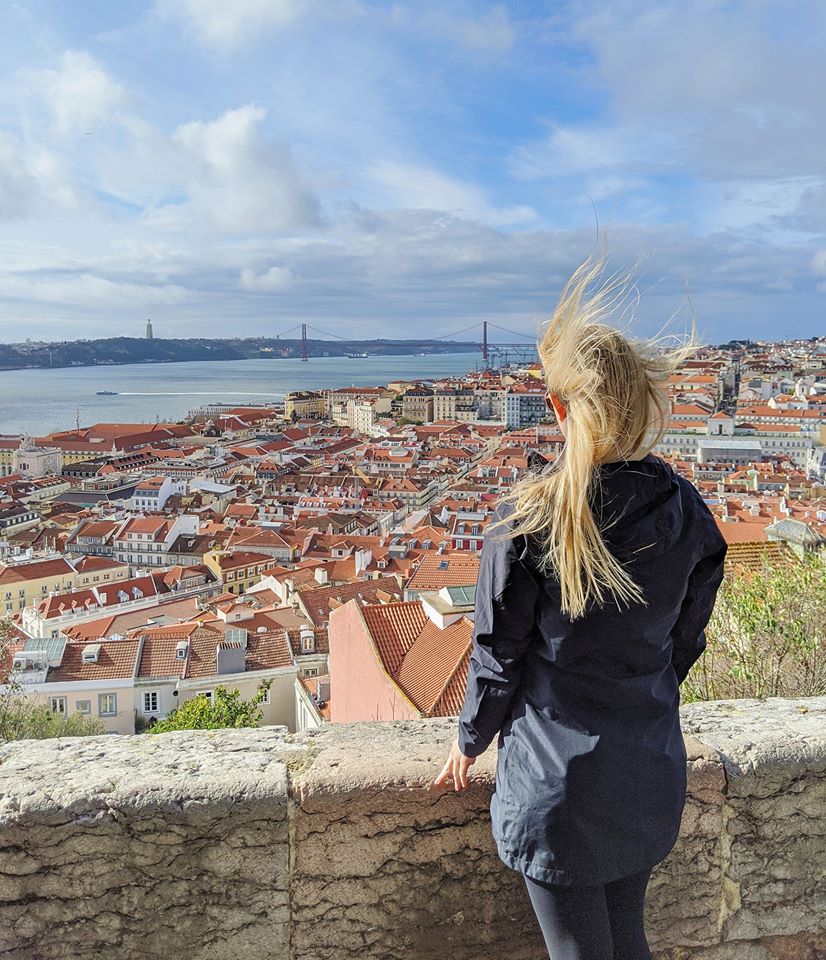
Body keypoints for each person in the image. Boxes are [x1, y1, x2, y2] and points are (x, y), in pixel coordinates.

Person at [433, 256, 728, 960]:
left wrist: (469, 739)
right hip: (646, 765)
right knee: (628, 941)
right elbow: (685, 640)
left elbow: (497, 655)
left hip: (557, 785)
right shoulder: (685, 511)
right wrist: (641, 685)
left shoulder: (529, 517)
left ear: (559, 408)